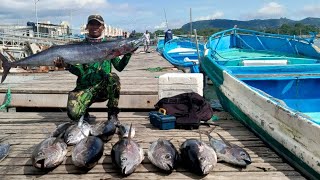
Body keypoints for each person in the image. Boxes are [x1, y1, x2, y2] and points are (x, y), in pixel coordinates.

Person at [54, 14, 136, 124]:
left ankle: (112, 114)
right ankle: (84, 111)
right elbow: (80, 72)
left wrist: (128, 54)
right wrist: (67, 65)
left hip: (103, 88)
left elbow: (119, 67)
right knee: (73, 114)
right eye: (92, 24)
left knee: (113, 78)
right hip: (85, 89)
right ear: (87, 27)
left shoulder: (110, 45)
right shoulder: (78, 47)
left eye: (98, 24)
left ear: (103, 27)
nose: (95, 27)